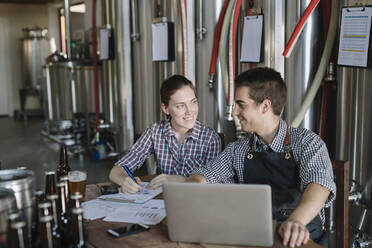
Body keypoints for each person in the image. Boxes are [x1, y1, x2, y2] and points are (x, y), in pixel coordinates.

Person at [187, 67, 336, 248]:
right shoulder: (238, 150)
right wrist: (192, 187)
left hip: (300, 239)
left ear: (265, 106)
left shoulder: (307, 143)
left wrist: (296, 222)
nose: (235, 111)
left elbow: (319, 185)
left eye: (241, 104)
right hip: (254, 238)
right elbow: (205, 175)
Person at [109, 75, 221, 194]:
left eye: (193, 102)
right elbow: (116, 171)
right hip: (161, 201)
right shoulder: (155, 132)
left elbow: (212, 186)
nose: (190, 111)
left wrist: (182, 181)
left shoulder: (210, 139)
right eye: (180, 106)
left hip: (194, 202)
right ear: (166, 108)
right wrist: (124, 181)